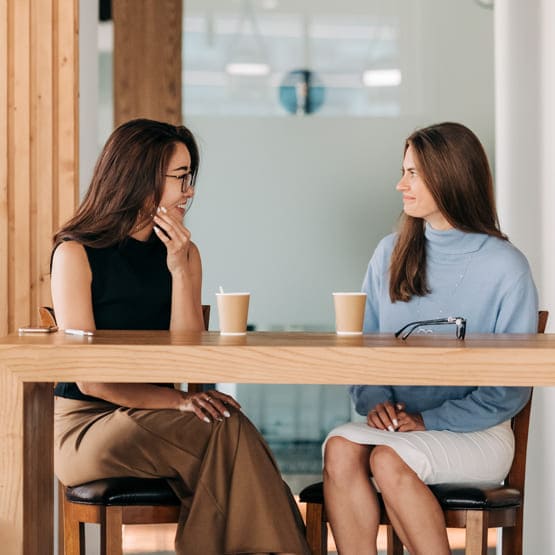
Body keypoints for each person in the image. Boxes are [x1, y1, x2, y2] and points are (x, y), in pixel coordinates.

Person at [51, 118, 310, 555]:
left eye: (190, 179)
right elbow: (91, 381)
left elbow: (189, 362)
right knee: (224, 434)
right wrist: (179, 401)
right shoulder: (75, 253)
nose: (189, 191)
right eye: (180, 178)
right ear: (141, 176)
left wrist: (180, 270)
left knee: (224, 437)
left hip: (163, 420)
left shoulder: (183, 253)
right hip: (87, 426)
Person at [323, 122, 538, 555]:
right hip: (400, 428)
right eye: (403, 171)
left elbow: (511, 387)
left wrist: (429, 421)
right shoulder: (390, 252)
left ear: (450, 176)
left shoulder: (506, 266)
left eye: (413, 174)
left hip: (479, 434)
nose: (399, 184)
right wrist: (375, 402)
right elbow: (366, 347)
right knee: (340, 447)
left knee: (387, 458)